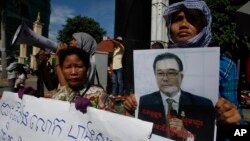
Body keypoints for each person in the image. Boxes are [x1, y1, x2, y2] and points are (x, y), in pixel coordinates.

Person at [124, 0, 242, 140]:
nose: (184, 25)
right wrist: (132, 108)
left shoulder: (224, 65)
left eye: (192, 19)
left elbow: (238, 130)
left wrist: (232, 121)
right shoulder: (147, 93)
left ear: (203, 25)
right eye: (177, 19)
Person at [139, 52, 215, 140]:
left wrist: (186, 135)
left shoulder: (203, 105)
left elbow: (208, 138)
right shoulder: (145, 101)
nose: (165, 79)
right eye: (160, 73)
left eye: (171, 73)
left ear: (181, 76)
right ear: (155, 76)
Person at [51, 47, 113, 112]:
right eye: (68, 67)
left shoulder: (99, 95)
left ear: (87, 68)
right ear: (62, 69)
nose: (73, 72)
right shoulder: (58, 97)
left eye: (79, 66)